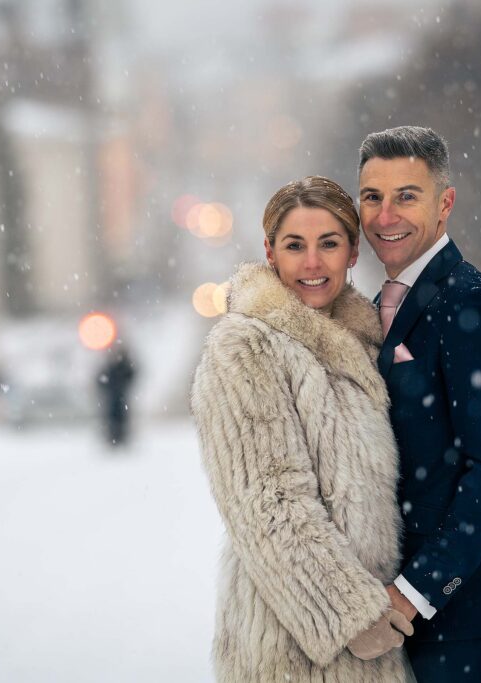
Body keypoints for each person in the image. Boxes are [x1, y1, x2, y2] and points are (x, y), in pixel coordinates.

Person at [191, 176, 415, 682]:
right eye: (295, 246)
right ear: (270, 253)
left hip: (386, 631)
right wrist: (349, 616)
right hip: (295, 646)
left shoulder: (371, 341)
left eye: (329, 244)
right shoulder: (246, 346)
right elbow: (268, 502)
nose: (312, 264)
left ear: (353, 251)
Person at [357, 126, 481, 682]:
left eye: (406, 196)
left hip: (464, 615)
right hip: (395, 616)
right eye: (372, 197)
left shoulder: (474, 302)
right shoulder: (373, 310)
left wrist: (410, 596)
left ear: (445, 203)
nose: (386, 217)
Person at [96, 344, 135, 447]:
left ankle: (120, 437)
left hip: (119, 397)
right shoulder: (111, 367)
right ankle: (114, 437)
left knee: (120, 418)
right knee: (113, 418)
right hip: (114, 398)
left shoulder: (121, 366)